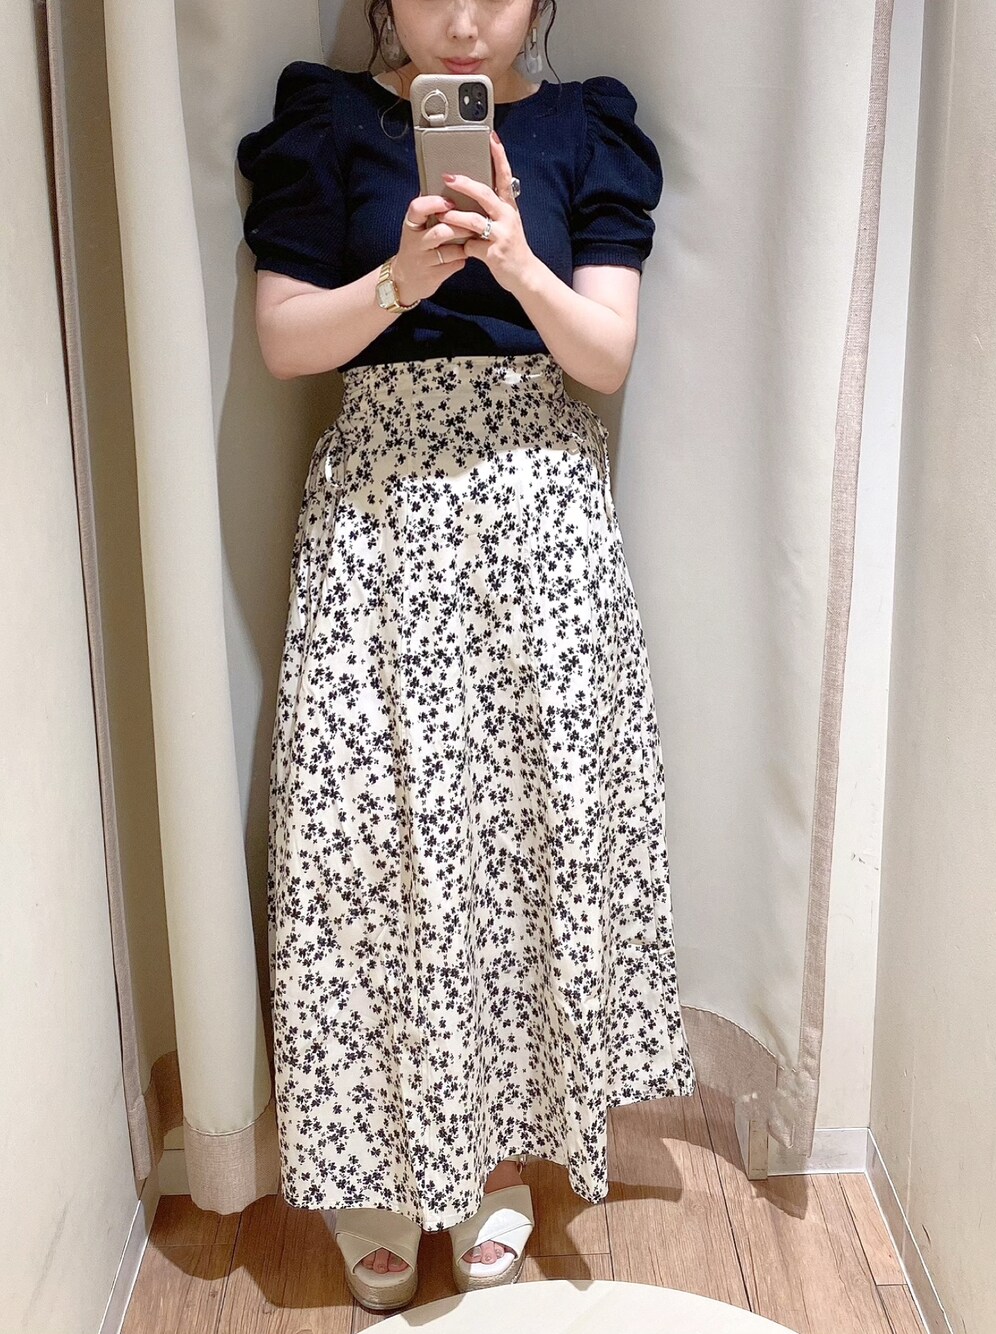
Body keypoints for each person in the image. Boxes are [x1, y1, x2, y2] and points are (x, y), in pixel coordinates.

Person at [236, 0, 697, 1313]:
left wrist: (516, 265)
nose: (461, 17)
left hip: (543, 533)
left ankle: (497, 1154)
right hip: (380, 525)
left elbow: (606, 356)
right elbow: (285, 342)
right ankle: (377, 1171)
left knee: (519, 849)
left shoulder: (586, 130)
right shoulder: (327, 122)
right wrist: (402, 280)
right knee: (361, 848)